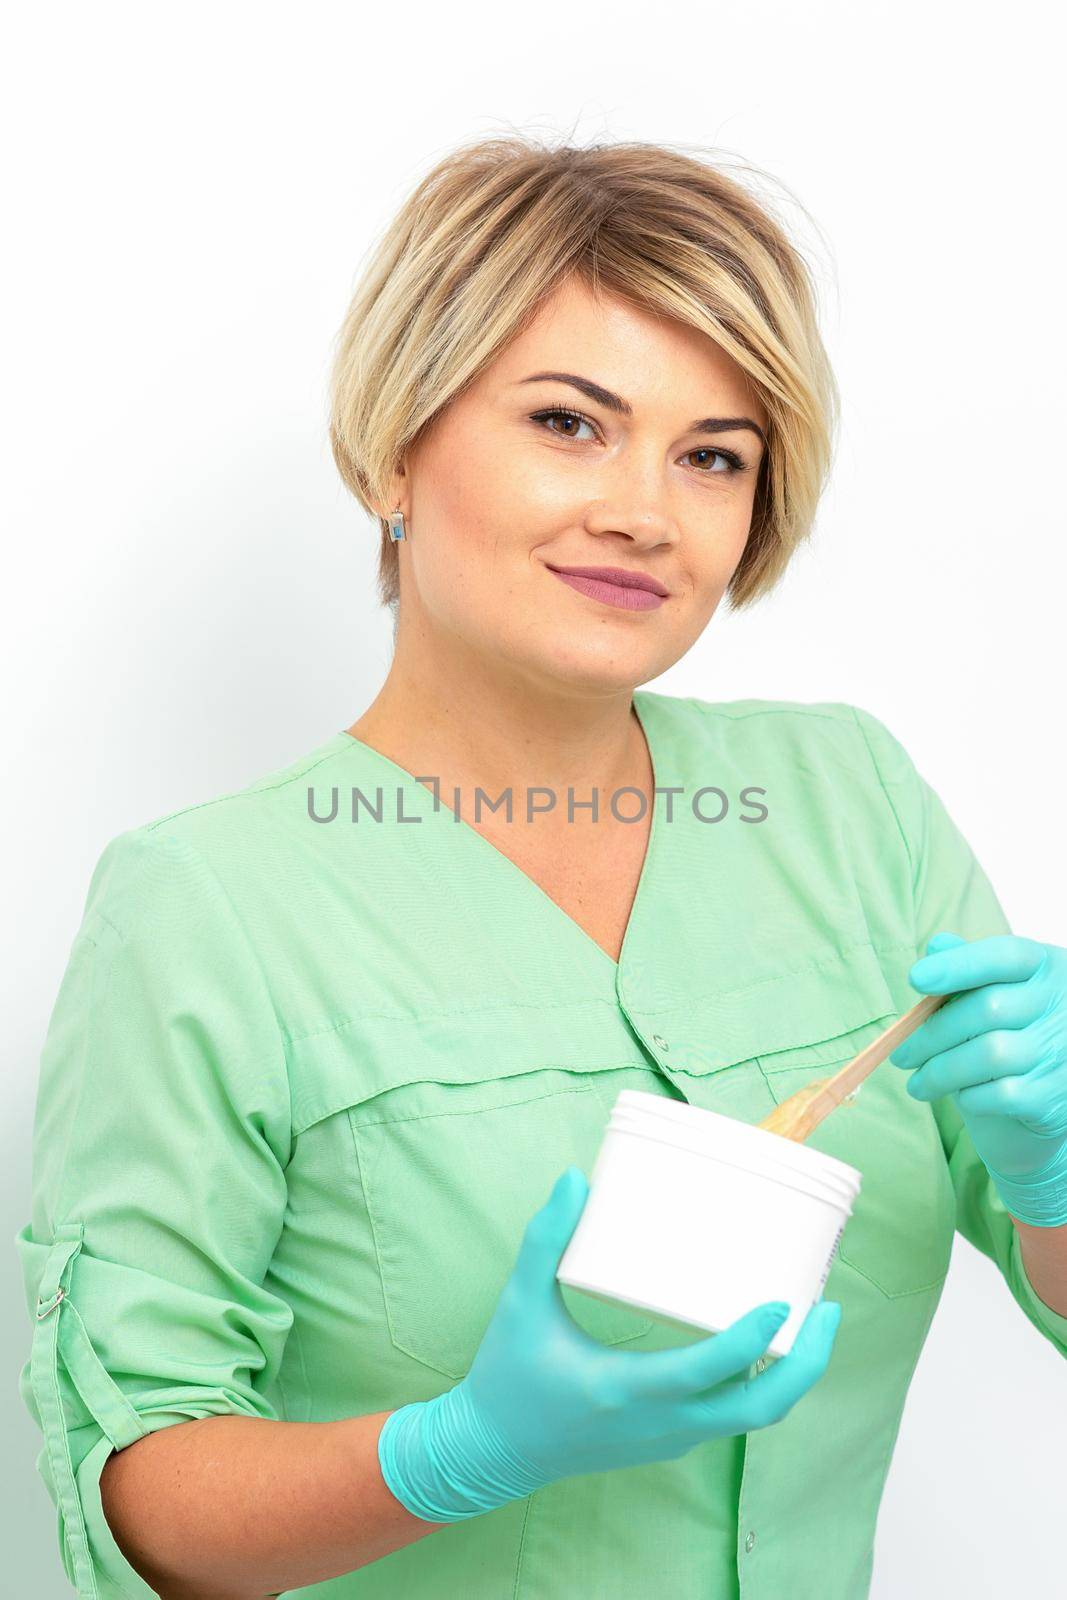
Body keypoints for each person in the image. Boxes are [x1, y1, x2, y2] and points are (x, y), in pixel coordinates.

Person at [16, 132, 1067, 1600]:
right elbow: (136, 1491)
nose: (646, 511)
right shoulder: (208, 908)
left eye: (714, 455)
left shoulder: (850, 805)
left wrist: (1058, 1174)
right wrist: (455, 1451)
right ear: (396, 444)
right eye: (571, 423)